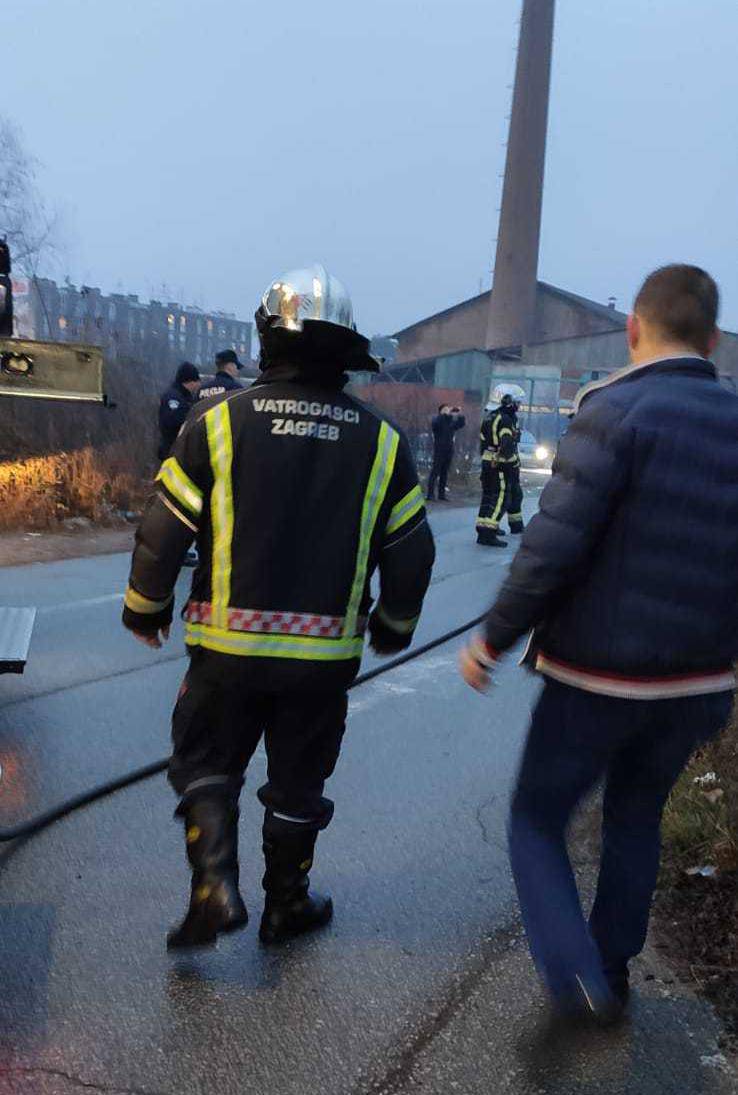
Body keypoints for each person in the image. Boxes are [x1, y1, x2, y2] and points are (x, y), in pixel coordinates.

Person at [122, 263, 435, 950]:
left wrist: (146, 606)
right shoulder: (383, 441)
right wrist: (393, 624)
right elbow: (412, 552)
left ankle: (213, 886)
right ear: (347, 350)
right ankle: (285, 904)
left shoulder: (215, 421)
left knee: (205, 761)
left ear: (268, 338)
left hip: (224, 656)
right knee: (298, 781)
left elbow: (163, 527)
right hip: (320, 665)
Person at [460, 264, 738, 1023]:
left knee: (536, 818)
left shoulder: (615, 409)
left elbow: (553, 545)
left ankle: (577, 980)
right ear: (713, 339)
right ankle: (611, 968)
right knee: (635, 815)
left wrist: (492, 638)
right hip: (700, 684)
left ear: (634, 329)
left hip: (599, 677)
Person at [476, 388, 524, 546]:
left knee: (488, 497)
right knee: (500, 499)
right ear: (507, 401)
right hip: (500, 465)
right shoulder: (505, 419)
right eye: (516, 403)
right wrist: (510, 461)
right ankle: (488, 533)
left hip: (487, 462)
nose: (518, 406)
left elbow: (483, 443)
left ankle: (482, 528)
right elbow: (507, 444)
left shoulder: (489, 417)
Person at [157, 361, 201, 460]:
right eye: (198, 381)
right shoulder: (174, 398)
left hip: (176, 450)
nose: (199, 385)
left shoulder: (183, 397)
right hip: (173, 451)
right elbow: (172, 423)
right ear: (191, 382)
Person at [427, 404, 465, 501]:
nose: (448, 410)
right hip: (439, 449)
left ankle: (441, 494)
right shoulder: (438, 420)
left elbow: (461, 424)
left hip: (449, 449)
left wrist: (460, 414)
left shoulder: (450, 422)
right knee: (435, 471)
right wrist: (443, 414)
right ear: (440, 411)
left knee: (444, 472)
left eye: (448, 408)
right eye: (445, 409)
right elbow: (435, 424)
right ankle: (430, 494)